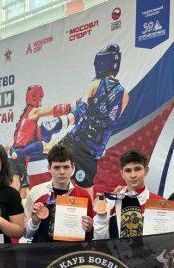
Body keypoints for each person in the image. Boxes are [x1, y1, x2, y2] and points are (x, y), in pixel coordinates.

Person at [49, 44, 129, 196]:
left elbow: (79, 112)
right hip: (93, 150)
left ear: (101, 63)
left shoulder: (94, 84)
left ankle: (58, 207)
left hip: (76, 141)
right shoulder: (125, 95)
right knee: (86, 188)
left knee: (58, 176)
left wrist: (60, 122)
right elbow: (107, 121)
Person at [9, 85, 71, 197]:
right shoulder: (33, 111)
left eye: (39, 97)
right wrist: (67, 108)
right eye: (36, 96)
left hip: (19, 153)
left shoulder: (26, 115)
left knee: (23, 185)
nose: (38, 99)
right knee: (19, 184)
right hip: (20, 153)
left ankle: (21, 205)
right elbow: (49, 110)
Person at [24, 144, 94, 243]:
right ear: (49, 168)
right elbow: (26, 234)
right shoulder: (36, 192)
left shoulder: (84, 195)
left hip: (72, 251)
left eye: (66, 167)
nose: (61, 172)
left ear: (73, 168)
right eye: (57, 167)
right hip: (42, 251)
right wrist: (34, 222)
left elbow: (89, 237)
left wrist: (89, 229)